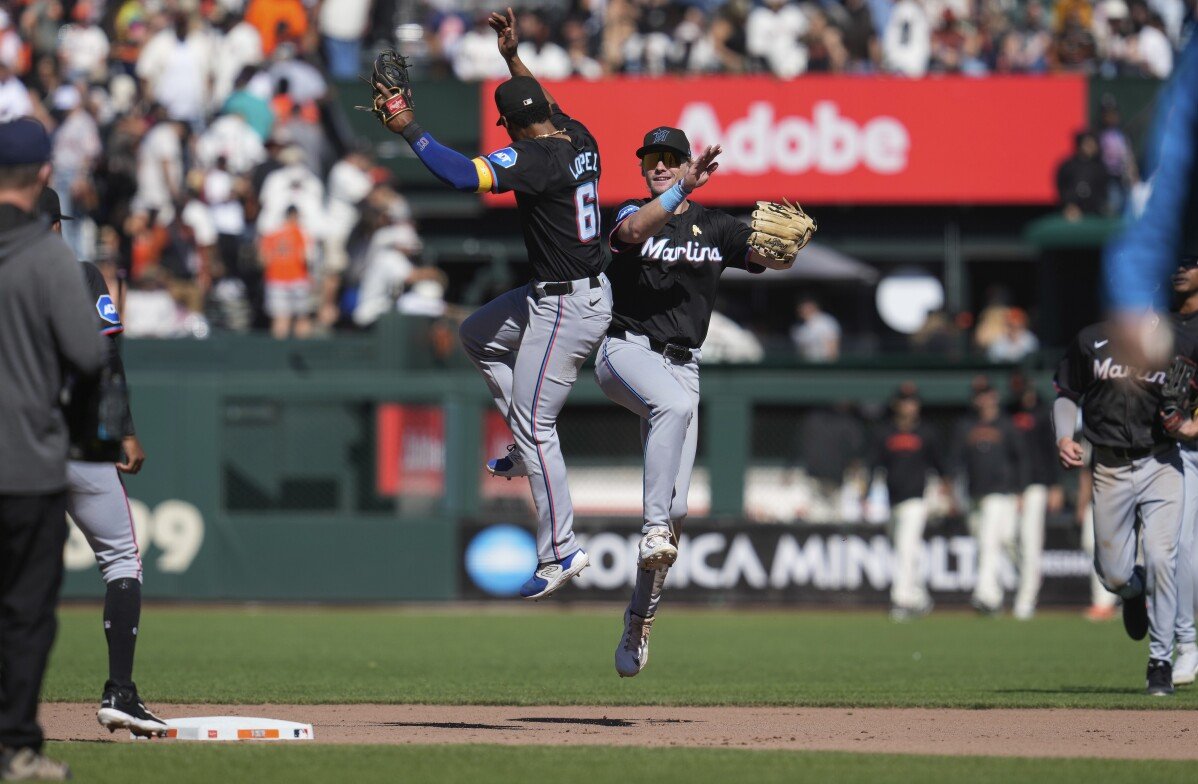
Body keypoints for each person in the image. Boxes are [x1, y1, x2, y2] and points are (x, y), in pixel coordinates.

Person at [374, 8, 611, 599]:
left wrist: (409, 128)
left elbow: (461, 176)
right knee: (479, 334)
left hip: (568, 305)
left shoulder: (534, 161)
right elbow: (542, 103)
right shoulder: (579, 137)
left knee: (538, 427)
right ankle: (522, 446)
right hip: (561, 292)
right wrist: (510, 56)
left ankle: (561, 551)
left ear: (509, 126)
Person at [594, 125, 798, 677]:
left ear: (686, 160)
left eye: (669, 158)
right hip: (625, 351)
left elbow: (771, 260)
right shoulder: (629, 209)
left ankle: (639, 620)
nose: (658, 165)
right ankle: (652, 526)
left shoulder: (717, 226)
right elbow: (634, 231)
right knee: (675, 415)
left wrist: (789, 251)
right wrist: (678, 190)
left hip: (684, 365)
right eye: (651, 159)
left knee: (680, 510)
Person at [39, 187, 168, 737]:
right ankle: (120, 692)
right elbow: (108, 357)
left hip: (17, 444)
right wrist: (126, 433)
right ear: (52, 226)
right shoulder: (79, 274)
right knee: (120, 560)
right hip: (81, 441)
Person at [0, 118, 106, 781]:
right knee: (25, 616)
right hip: (27, 462)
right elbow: (88, 352)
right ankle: (15, 748)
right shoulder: (46, 255)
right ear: (45, 174)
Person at [1054, 316, 1194, 695]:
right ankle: (1133, 593)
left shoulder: (1175, 341)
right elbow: (1067, 393)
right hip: (1110, 465)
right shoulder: (1091, 339)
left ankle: (1160, 662)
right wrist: (1064, 436)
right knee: (1113, 575)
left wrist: (1194, 426)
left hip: (1161, 462)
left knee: (1162, 557)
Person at [864, 385, 950, 621]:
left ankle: (901, 601)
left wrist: (947, 491)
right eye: (904, 401)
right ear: (896, 404)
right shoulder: (885, 432)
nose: (909, 406)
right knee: (904, 551)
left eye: (912, 401)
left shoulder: (926, 433)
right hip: (893, 501)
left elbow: (940, 465)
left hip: (918, 500)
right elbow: (874, 465)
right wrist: (867, 493)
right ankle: (920, 597)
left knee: (905, 548)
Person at [954, 380, 1026, 616]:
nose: (984, 399)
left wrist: (1020, 492)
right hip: (975, 493)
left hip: (1001, 493)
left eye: (987, 394)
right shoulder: (966, 425)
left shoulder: (1007, 425)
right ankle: (1016, 579)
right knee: (999, 542)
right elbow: (956, 461)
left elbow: (1020, 460)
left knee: (987, 543)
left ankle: (986, 597)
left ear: (995, 396)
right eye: (979, 395)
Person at [1007, 375, 1062, 620]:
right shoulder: (1008, 413)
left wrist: (1055, 486)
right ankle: (1025, 582)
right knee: (1006, 538)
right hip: (1011, 487)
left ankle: (1026, 599)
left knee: (1030, 541)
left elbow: (1052, 450)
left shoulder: (1043, 414)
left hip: (1037, 484)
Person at [1168, 255, 1198, 684]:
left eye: (1191, 263)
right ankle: (1187, 645)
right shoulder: (1159, 325)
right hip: (1175, 451)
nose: (1181, 268)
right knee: (1179, 547)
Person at [790, 296, 841, 361]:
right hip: (806, 365)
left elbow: (833, 349)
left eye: (807, 307)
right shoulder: (798, 327)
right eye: (802, 307)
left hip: (823, 364)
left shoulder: (826, 322)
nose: (804, 310)